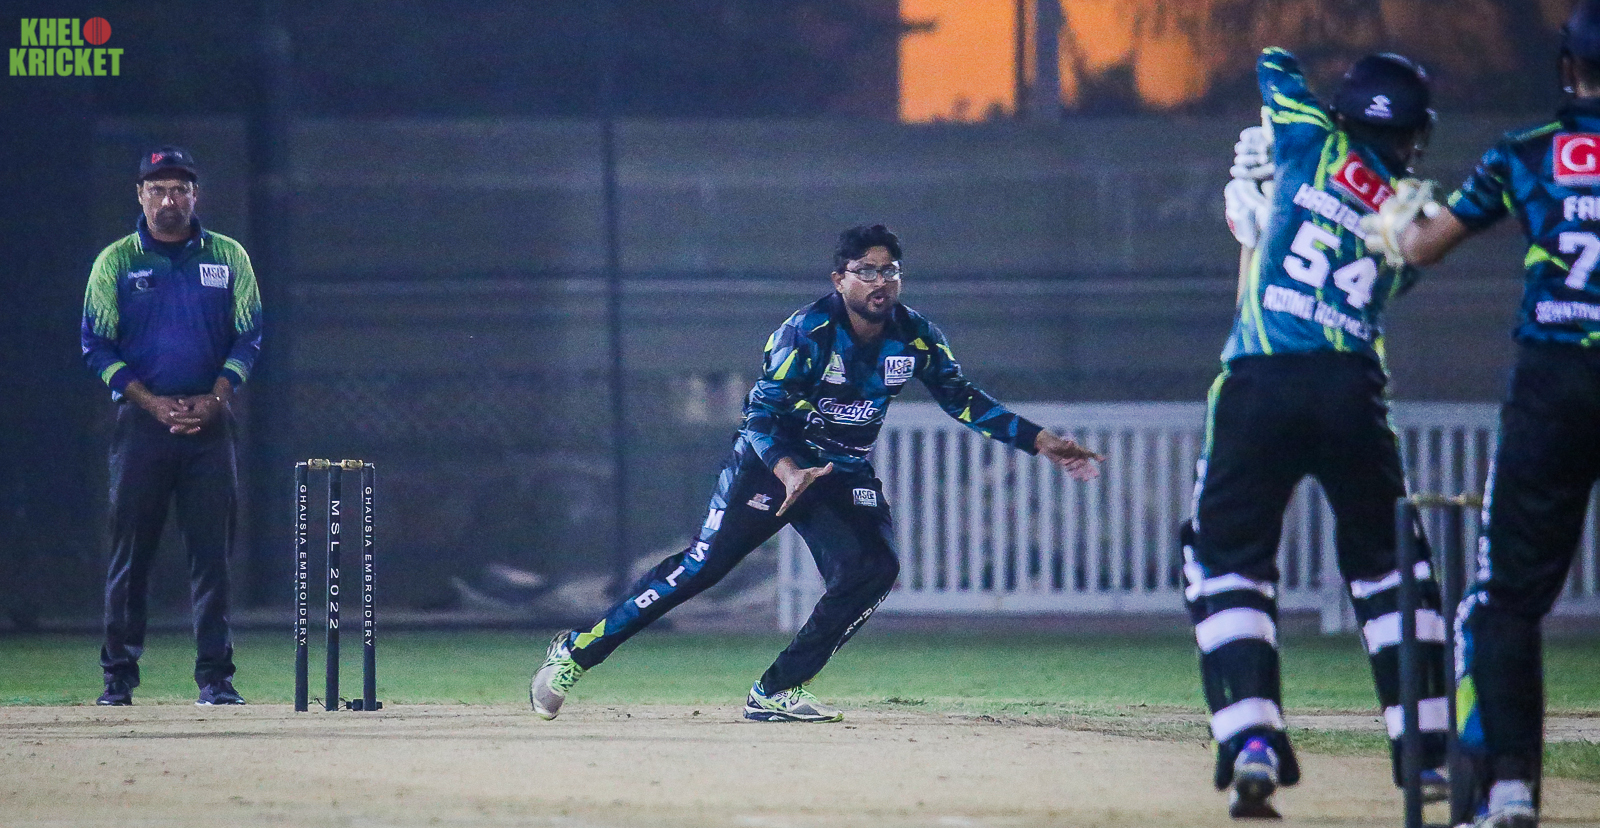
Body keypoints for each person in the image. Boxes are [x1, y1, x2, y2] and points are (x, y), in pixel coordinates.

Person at [530, 224, 1103, 722]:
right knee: (703, 569)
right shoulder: (806, 333)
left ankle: (776, 689)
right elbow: (760, 414)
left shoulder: (916, 335)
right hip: (769, 465)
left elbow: (962, 398)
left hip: (841, 472)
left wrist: (1041, 441)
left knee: (874, 568)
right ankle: (576, 652)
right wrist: (788, 471)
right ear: (839, 280)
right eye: (866, 271)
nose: (880, 282)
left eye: (890, 271)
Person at [1184, 48, 1450, 819]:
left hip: (1258, 382)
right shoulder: (1411, 214)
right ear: (1415, 134)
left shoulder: (1308, 133)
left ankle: (1251, 740)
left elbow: (1272, 62)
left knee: (1225, 563)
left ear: (1342, 113)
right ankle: (1428, 752)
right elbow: (1387, 247)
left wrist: (1265, 160)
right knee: (1391, 570)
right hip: (1350, 390)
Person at [1363, 4, 1600, 825]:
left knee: (1505, 601)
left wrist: (1397, 218)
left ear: (1568, 67)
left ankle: (1508, 790)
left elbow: (1423, 245)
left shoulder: (1525, 152)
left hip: (1553, 385)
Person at [80, 146, 262, 706]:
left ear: (194, 195)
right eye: (157, 189)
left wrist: (216, 397)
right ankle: (118, 678)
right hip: (142, 426)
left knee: (212, 557)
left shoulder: (227, 256)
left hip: (210, 427)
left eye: (179, 189)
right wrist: (152, 404)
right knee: (131, 556)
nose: (168, 200)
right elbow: (96, 345)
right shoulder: (117, 261)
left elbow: (249, 336)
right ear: (140, 195)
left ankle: (215, 679)